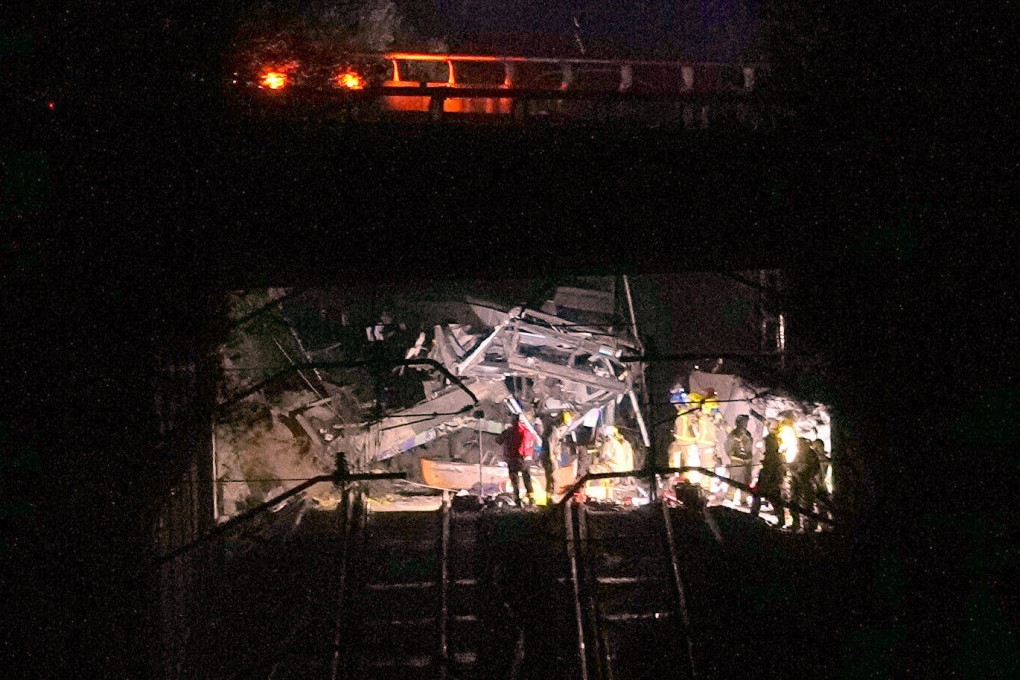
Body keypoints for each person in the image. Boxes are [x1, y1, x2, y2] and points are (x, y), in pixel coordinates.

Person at [750, 419, 786, 527]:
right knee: (773, 497)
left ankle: (754, 515)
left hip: (769, 475)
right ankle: (780, 519)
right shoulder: (777, 443)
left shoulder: (769, 442)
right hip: (772, 474)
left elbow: (764, 454)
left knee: (762, 494)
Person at [496, 414, 534, 506]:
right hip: (525, 460)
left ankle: (517, 500)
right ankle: (531, 499)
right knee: (527, 479)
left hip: (513, 459)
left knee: (515, 480)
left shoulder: (508, 431)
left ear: (512, 421)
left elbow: (498, 440)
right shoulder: (526, 431)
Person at [724, 415, 754, 503]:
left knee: (745, 480)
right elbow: (728, 448)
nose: (746, 424)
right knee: (734, 480)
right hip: (737, 462)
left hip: (746, 462)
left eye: (746, 422)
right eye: (744, 422)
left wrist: (749, 458)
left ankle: (743, 499)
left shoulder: (747, 434)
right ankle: (729, 498)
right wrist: (734, 457)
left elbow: (749, 447)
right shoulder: (733, 434)